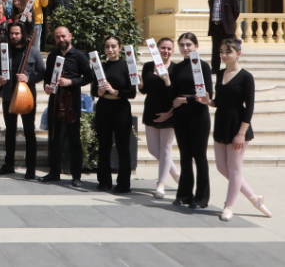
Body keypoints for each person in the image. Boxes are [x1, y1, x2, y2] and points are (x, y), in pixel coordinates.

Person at [204, 38, 271, 221]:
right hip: (221, 123)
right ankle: (254, 198)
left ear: (238, 54)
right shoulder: (220, 74)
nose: (224, 55)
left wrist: (241, 133)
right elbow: (219, 101)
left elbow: (249, 107)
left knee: (234, 169)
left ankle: (228, 206)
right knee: (221, 167)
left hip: (238, 125)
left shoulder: (246, 77)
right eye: (221, 51)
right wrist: (208, 102)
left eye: (228, 51)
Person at [39, 25, 92, 187]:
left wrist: (71, 82)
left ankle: (76, 176)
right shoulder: (52, 56)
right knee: (54, 137)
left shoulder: (79, 56)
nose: (61, 39)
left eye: (63, 36)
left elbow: (88, 77)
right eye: (57, 37)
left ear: (70, 36)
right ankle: (54, 172)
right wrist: (46, 86)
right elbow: (47, 77)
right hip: (55, 100)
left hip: (71, 102)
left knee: (74, 139)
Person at [0, 23, 44, 179]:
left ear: (23, 34)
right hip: (9, 95)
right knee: (10, 131)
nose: (14, 36)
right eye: (11, 33)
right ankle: (9, 164)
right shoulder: (5, 50)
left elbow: (43, 72)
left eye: (17, 33)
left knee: (29, 131)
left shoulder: (33, 52)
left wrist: (29, 78)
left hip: (26, 96)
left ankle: (31, 168)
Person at [169, 32, 212, 209]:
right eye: (182, 45)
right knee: (185, 156)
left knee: (199, 156)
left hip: (199, 115)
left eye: (188, 44)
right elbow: (172, 93)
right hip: (181, 116)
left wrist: (184, 100)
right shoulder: (177, 68)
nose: (185, 48)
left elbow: (208, 95)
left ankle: (201, 198)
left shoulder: (203, 66)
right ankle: (184, 194)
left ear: (196, 46)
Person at [92, 36, 136, 193]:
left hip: (121, 108)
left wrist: (115, 91)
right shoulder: (99, 67)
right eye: (107, 46)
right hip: (103, 108)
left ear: (120, 48)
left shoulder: (127, 67)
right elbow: (93, 90)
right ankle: (104, 181)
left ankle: (124, 184)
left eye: (113, 46)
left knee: (123, 147)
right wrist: (99, 92)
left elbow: (132, 93)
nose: (110, 49)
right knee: (104, 145)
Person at [138, 37, 180, 199]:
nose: (166, 51)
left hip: (169, 112)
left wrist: (167, 81)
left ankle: (160, 184)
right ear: (157, 49)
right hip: (151, 109)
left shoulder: (176, 69)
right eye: (163, 48)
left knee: (166, 149)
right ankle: (176, 174)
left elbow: (175, 94)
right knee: (153, 149)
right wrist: (141, 86)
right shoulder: (148, 66)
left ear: (173, 51)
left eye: (169, 48)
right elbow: (145, 90)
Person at [209, 0, 240, 74]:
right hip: (215, 27)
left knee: (229, 48)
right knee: (216, 48)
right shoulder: (211, 0)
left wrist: (228, 21)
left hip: (226, 27)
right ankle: (215, 68)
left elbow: (236, 12)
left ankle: (230, 67)